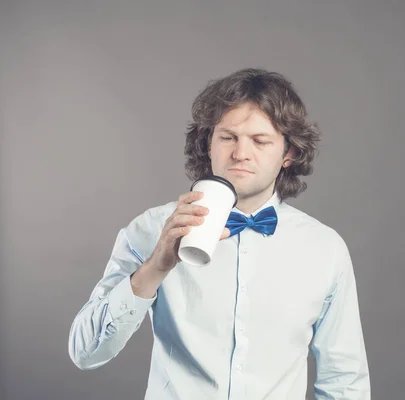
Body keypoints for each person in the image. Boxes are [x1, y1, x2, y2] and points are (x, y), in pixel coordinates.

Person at [68, 68, 370, 399]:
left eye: (259, 140)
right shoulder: (153, 228)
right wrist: (155, 266)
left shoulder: (325, 249)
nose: (240, 153)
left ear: (289, 153)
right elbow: (86, 352)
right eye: (228, 137)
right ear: (208, 143)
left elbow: (343, 380)